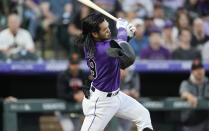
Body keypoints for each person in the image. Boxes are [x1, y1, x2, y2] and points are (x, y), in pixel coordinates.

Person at [77, 13, 153, 131]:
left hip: (116, 96)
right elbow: (118, 48)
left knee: (143, 115)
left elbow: (118, 47)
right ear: (94, 33)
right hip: (101, 103)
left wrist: (127, 36)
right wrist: (122, 29)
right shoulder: (101, 49)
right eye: (104, 30)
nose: (108, 31)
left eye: (108, 27)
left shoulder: (92, 43)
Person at [56, 53, 90, 131]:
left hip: (76, 109)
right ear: (69, 64)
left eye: (77, 64)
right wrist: (74, 96)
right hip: (64, 109)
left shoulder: (84, 75)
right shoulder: (63, 76)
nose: (75, 66)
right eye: (73, 64)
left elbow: (89, 89)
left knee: (77, 128)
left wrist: (83, 94)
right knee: (69, 128)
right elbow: (60, 94)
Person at [179, 60, 209, 131]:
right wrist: (189, 96)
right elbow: (183, 93)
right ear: (191, 72)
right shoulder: (186, 83)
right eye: (196, 69)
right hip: (192, 120)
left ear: (204, 70)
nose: (199, 71)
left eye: (201, 69)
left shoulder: (208, 82)